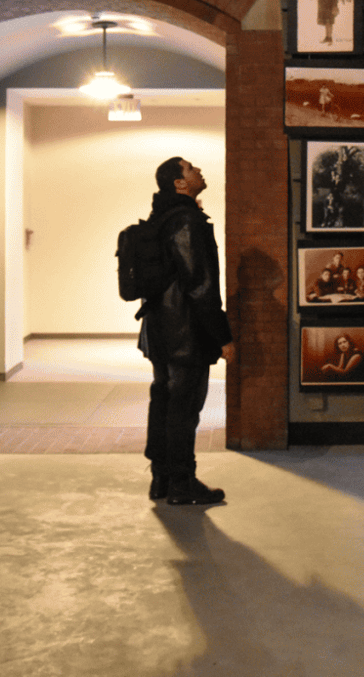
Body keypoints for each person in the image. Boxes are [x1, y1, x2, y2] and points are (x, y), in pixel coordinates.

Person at [139, 157, 234, 505]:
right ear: (179, 183)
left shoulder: (161, 216)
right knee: (183, 407)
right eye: (191, 169)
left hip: (159, 330)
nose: (199, 172)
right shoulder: (186, 221)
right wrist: (223, 336)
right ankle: (182, 483)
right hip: (184, 334)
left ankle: (161, 479)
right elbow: (200, 284)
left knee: (163, 400)